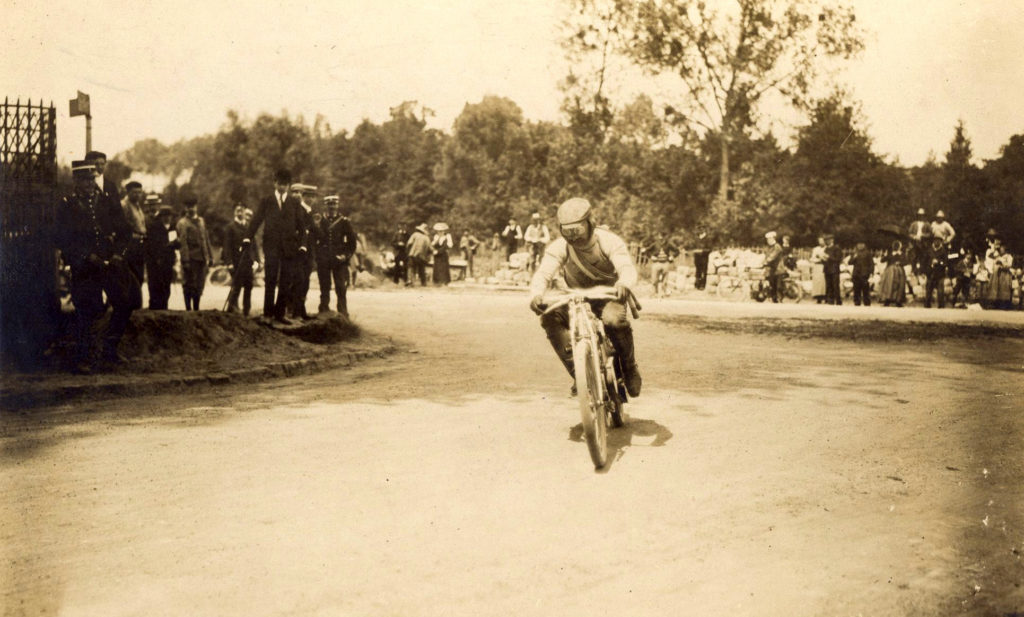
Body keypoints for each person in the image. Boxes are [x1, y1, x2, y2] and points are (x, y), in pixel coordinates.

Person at [528, 198, 641, 398]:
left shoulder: (608, 241)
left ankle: (630, 367)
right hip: (577, 299)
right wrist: (536, 294)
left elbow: (626, 267)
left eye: (577, 230)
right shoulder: (559, 247)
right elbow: (543, 273)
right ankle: (579, 374)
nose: (573, 237)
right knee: (549, 318)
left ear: (590, 224)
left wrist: (624, 284)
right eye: (567, 231)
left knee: (614, 321)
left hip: (609, 296)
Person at [55, 160, 136, 373]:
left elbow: (125, 231)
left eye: (91, 179)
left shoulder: (107, 202)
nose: (89, 184)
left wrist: (119, 254)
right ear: (75, 181)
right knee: (86, 311)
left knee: (125, 303)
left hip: (109, 264)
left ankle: (110, 349)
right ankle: (83, 358)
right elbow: (63, 239)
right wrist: (86, 256)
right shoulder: (67, 204)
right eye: (84, 180)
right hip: (85, 267)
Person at [244, 169, 308, 324]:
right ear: (275, 183)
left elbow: (302, 225)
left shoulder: (294, 203)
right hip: (271, 246)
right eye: (280, 184)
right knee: (271, 278)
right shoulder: (266, 201)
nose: (282, 187)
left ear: (288, 185)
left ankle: (280, 314)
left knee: (286, 280)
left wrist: (303, 245)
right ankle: (268, 313)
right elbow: (257, 220)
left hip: (289, 247)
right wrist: (247, 237)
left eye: (285, 185)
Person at [315, 195, 357, 315]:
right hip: (324, 260)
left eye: (334, 204)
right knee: (324, 286)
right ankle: (323, 310)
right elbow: (315, 240)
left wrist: (345, 256)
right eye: (329, 205)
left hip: (339, 260)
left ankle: (343, 313)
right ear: (326, 206)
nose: (332, 207)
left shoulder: (344, 222)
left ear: (338, 205)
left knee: (341, 287)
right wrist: (318, 256)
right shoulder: (320, 220)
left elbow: (352, 243)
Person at [175, 194, 213, 311]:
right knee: (189, 284)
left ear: (196, 207)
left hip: (201, 258)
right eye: (188, 206)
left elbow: (206, 239)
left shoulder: (201, 221)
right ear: (185, 208)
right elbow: (183, 243)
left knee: (199, 284)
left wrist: (210, 256)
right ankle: (188, 309)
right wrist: (185, 260)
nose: (191, 209)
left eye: (193, 206)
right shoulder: (182, 223)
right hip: (190, 258)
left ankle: (196, 308)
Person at [289, 184, 318, 320]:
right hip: (299, 251)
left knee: (305, 281)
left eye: (313, 197)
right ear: (303, 197)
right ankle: (295, 311)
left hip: (309, 252)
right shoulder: (297, 210)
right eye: (308, 196)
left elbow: (316, 233)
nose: (310, 199)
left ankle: (301, 309)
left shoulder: (311, 213)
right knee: (298, 280)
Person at [145, 203, 178, 310]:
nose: (167, 218)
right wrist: (157, 257)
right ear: (161, 217)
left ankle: (164, 306)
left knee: (166, 285)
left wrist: (176, 244)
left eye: (169, 216)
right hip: (155, 262)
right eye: (165, 216)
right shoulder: (154, 227)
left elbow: (175, 244)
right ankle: (154, 307)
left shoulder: (173, 228)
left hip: (168, 261)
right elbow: (150, 245)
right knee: (155, 285)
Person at [222, 204, 255, 315]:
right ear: (235, 212)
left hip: (248, 262)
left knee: (249, 286)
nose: (240, 213)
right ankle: (230, 310)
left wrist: (257, 260)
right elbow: (227, 247)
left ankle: (246, 311)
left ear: (245, 211)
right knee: (236, 287)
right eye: (237, 210)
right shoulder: (230, 227)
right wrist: (229, 262)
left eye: (242, 210)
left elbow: (253, 245)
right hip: (236, 263)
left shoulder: (249, 227)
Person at [119, 180, 148, 300]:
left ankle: (135, 304)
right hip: (130, 245)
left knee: (139, 276)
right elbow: (123, 227)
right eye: (134, 192)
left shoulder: (137, 206)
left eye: (139, 192)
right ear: (128, 192)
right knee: (131, 276)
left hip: (139, 244)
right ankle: (129, 304)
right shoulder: (124, 205)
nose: (137, 195)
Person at [644, 231, 679, 297]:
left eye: (662, 237)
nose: (661, 238)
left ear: (665, 237)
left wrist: (672, 256)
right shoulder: (655, 244)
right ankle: (654, 293)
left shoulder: (669, 244)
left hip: (665, 263)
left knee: (665, 279)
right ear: (658, 237)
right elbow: (647, 251)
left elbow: (677, 251)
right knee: (654, 279)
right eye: (660, 237)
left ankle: (664, 293)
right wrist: (651, 256)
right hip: (656, 263)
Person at [878, 239, 908, 307]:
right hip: (890, 271)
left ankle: (898, 300)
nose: (896, 247)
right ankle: (887, 300)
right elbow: (882, 260)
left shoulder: (902, 254)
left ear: (900, 247)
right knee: (889, 285)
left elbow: (906, 262)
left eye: (897, 246)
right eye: (895, 246)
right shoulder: (890, 253)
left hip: (899, 271)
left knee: (899, 285)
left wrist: (900, 263)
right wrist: (885, 255)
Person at [923, 236, 949, 309]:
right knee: (928, 289)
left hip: (940, 273)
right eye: (935, 240)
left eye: (938, 241)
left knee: (940, 290)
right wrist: (929, 265)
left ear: (940, 242)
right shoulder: (929, 250)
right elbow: (924, 261)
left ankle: (941, 306)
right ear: (933, 241)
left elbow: (946, 262)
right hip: (930, 272)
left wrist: (939, 262)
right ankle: (927, 305)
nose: (936, 242)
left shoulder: (943, 251)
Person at [848, 240, 874, 306]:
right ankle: (857, 302)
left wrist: (871, 272)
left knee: (865, 289)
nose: (859, 246)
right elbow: (850, 262)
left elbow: (871, 263)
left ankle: (867, 302)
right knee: (856, 288)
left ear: (864, 245)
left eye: (861, 244)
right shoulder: (854, 253)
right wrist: (854, 257)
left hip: (864, 273)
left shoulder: (867, 253)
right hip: (856, 273)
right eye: (858, 244)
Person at [907, 208, 932, 275]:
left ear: (924, 216)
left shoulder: (927, 224)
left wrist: (923, 236)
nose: (921, 216)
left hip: (923, 244)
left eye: (922, 215)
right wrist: (914, 237)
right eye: (919, 215)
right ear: (918, 216)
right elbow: (909, 233)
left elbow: (930, 234)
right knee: (914, 258)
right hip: (914, 243)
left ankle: (922, 273)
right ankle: (914, 272)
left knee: (923, 259)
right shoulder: (913, 224)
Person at [763, 231, 784, 303]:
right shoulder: (769, 247)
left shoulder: (777, 247)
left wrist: (766, 261)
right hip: (772, 269)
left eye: (769, 239)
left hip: (778, 268)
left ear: (773, 238)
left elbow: (773, 256)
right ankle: (774, 299)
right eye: (767, 239)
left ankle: (779, 299)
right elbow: (766, 256)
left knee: (778, 286)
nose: (768, 240)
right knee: (772, 285)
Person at [824, 234, 843, 305]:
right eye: (826, 240)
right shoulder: (826, 249)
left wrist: (829, 257)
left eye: (828, 240)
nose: (827, 241)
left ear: (832, 240)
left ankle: (838, 300)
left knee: (835, 285)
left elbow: (838, 259)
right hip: (827, 269)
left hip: (834, 269)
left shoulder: (837, 248)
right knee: (829, 285)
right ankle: (830, 300)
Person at [809, 235, 827, 303]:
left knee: (823, 282)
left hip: (823, 266)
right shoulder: (816, 249)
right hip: (816, 267)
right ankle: (818, 297)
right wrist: (816, 259)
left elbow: (825, 258)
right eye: (819, 241)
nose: (821, 242)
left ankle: (825, 297)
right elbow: (813, 258)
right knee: (817, 282)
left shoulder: (827, 248)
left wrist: (821, 258)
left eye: (822, 241)